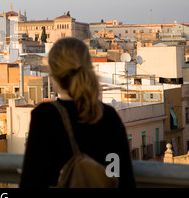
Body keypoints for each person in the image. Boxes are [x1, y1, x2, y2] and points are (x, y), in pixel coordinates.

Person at [20, 37, 135, 188]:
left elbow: (31, 180)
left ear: (54, 74)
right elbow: (124, 178)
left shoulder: (46, 116)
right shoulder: (108, 115)